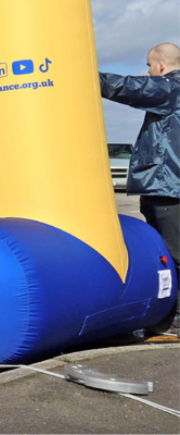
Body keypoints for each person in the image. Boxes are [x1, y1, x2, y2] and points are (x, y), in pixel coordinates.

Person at [99, 42, 180, 331]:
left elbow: (134, 88)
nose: (147, 70)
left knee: (172, 254)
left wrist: (88, 77)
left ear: (160, 65)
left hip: (169, 188)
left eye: (149, 65)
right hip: (168, 187)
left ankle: (175, 319)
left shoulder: (171, 87)